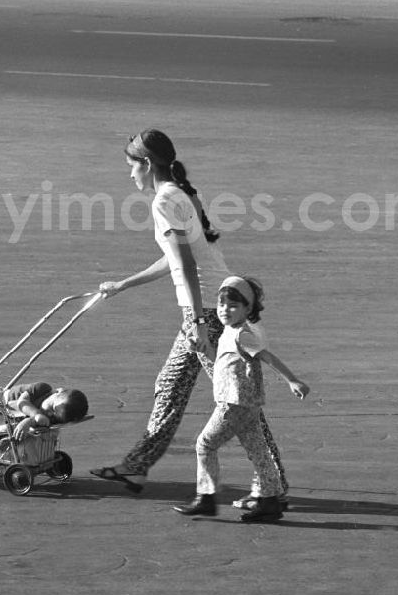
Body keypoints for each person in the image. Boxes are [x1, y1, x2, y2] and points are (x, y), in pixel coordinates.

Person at [90, 128, 287, 496]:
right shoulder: (179, 195)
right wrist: (123, 284)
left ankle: (273, 480)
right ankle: (136, 466)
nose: (129, 173)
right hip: (212, 308)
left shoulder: (165, 201)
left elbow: (186, 266)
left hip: (210, 312)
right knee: (172, 386)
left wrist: (197, 323)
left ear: (147, 164)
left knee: (236, 400)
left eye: (131, 166)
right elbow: (175, 260)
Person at [175, 275, 309, 522]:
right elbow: (223, 363)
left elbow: (267, 357)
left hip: (233, 404)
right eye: (222, 303)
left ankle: (206, 497)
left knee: (205, 444)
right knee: (258, 451)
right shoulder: (230, 331)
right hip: (248, 405)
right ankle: (270, 501)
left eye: (233, 305)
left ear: (247, 309)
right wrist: (201, 349)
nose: (225, 309)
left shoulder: (242, 335)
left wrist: (292, 380)